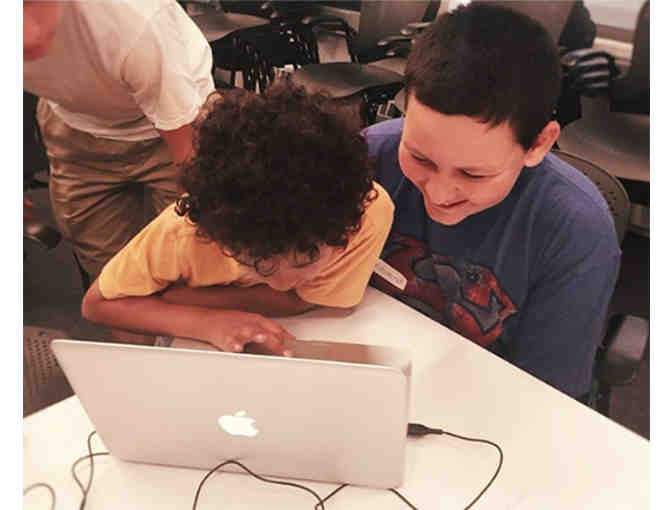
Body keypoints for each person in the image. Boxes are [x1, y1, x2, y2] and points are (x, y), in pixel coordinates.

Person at [364, 4, 620, 400]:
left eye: (473, 174)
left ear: (539, 144)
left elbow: (545, 398)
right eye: (420, 158)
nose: (439, 195)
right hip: (374, 369)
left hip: (490, 401)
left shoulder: (575, 229)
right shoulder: (369, 158)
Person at [81, 81, 394, 355]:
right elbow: (97, 305)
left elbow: (302, 300)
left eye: (305, 261)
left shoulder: (369, 213)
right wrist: (204, 321)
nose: (282, 284)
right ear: (215, 235)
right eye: (253, 263)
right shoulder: (185, 232)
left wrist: (174, 297)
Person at [23, 0, 215, 281]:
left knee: (193, 255)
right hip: (73, 120)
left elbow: (186, 149)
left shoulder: (135, 20)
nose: (25, 32)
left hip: (178, 118)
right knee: (110, 275)